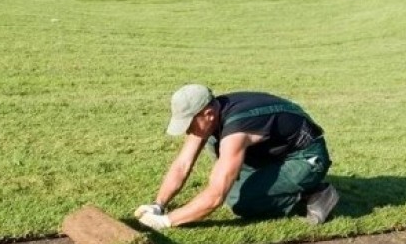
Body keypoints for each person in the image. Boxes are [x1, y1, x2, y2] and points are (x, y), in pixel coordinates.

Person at [135, 85, 339, 230]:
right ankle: (269, 183)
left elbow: (215, 197)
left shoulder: (237, 130)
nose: (188, 129)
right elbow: (183, 164)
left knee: (240, 201)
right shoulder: (215, 111)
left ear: (207, 113)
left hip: (306, 157)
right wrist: (158, 205)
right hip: (272, 151)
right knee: (216, 149)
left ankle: (313, 194)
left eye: (190, 122)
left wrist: (167, 221)